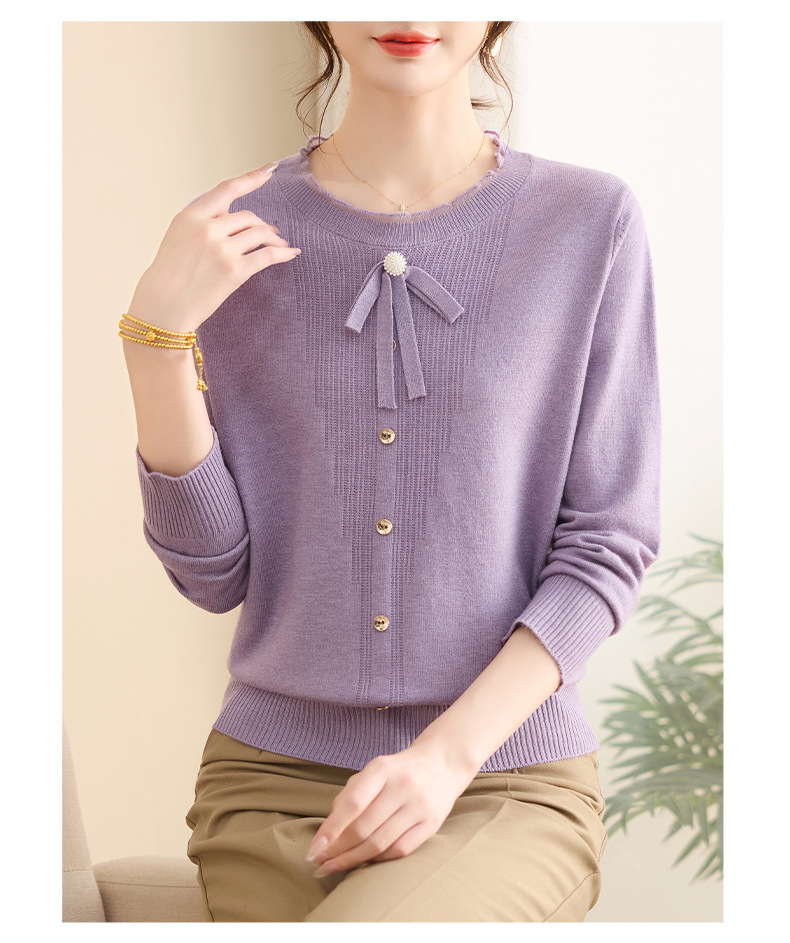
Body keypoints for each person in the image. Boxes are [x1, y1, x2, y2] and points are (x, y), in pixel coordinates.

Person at [120, 21, 660, 922]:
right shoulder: (230, 238)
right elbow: (213, 576)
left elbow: (608, 540)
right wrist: (154, 342)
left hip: (502, 779)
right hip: (270, 785)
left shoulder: (587, 221)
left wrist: (445, 758)